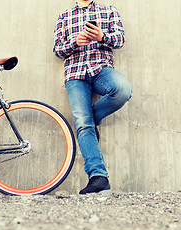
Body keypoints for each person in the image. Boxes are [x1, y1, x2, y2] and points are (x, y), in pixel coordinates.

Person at [53, 0, 132, 194]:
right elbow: (57, 49)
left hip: (101, 69)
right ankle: (98, 177)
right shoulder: (64, 16)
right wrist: (75, 42)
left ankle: (92, 118)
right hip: (75, 75)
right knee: (83, 124)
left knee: (122, 90)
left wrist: (101, 36)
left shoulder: (109, 10)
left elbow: (120, 40)